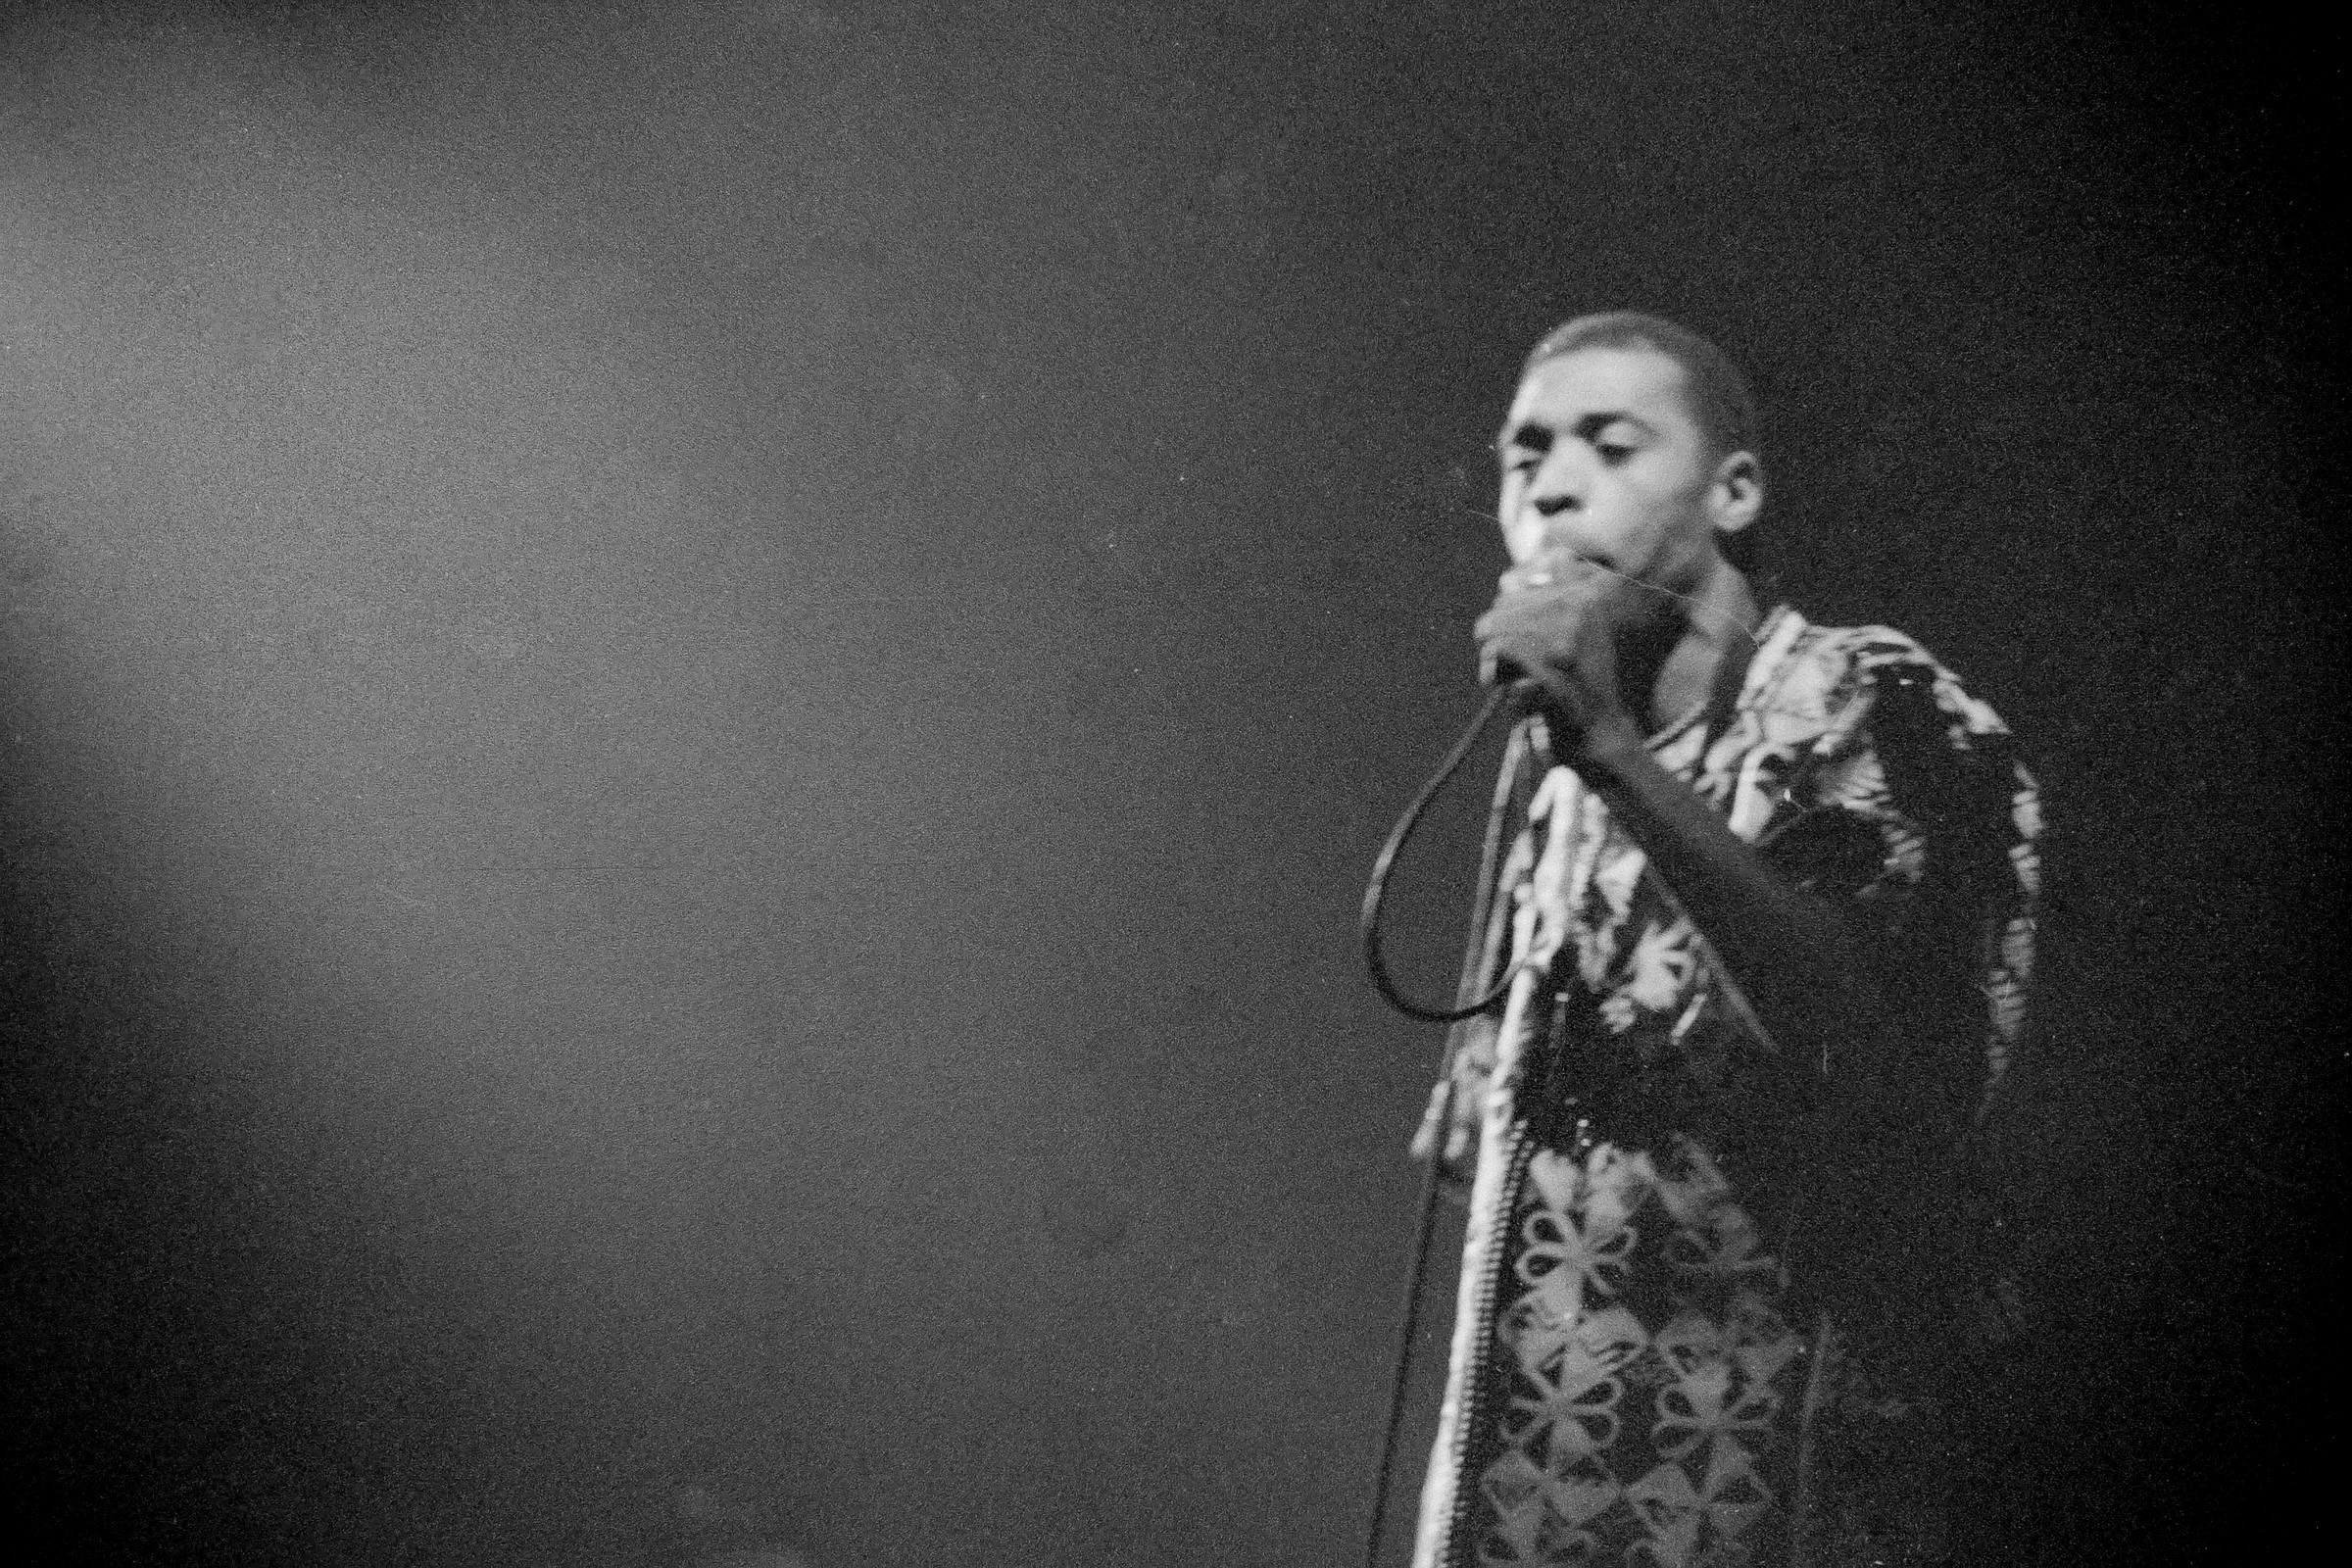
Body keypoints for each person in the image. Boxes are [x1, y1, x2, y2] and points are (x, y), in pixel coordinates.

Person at [1404, 313, 2039, 1567]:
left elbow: (1898, 1070)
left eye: (1609, 441)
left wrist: (1614, 756)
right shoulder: (1557, 780)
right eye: (1523, 452)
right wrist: (1497, 1121)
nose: (1548, 480)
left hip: (1781, 1501)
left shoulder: (1878, 700)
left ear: (1734, 490)